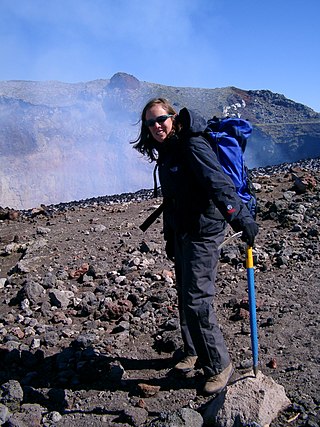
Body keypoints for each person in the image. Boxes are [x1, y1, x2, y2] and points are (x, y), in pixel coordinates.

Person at [132, 98, 259, 395]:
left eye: (160, 119)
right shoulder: (167, 149)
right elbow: (174, 198)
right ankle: (193, 352)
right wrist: (171, 234)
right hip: (183, 229)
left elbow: (217, 182)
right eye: (150, 123)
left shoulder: (191, 145)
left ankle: (219, 365)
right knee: (184, 292)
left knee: (197, 299)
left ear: (173, 117)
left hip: (204, 230)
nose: (156, 126)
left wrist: (240, 217)